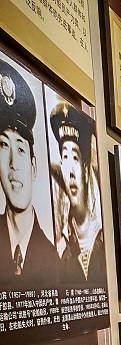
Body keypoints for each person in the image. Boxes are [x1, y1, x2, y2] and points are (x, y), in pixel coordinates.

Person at [0, 59, 58, 283]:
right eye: (4, 145)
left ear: (33, 167)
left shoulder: (55, 260)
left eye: (21, 149)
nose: (13, 163)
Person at [49, 102, 105, 283]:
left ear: (86, 169)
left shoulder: (103, 236)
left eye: (75, 157)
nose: (70, 171)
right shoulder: (62, 247)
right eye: (65, 157)